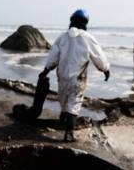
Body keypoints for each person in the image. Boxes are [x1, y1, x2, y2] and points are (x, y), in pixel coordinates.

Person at [34, 9, 110, 142]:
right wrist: (105, 70)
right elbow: (99, 57)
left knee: (63, 100)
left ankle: (62, 121)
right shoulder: (87, 38)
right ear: (85, 23)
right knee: (74, 103)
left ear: (72, 21)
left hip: (62, 78)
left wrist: (45, 71)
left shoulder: (62, 37)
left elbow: (53, 57)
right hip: (78, 79)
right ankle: (69, 133)